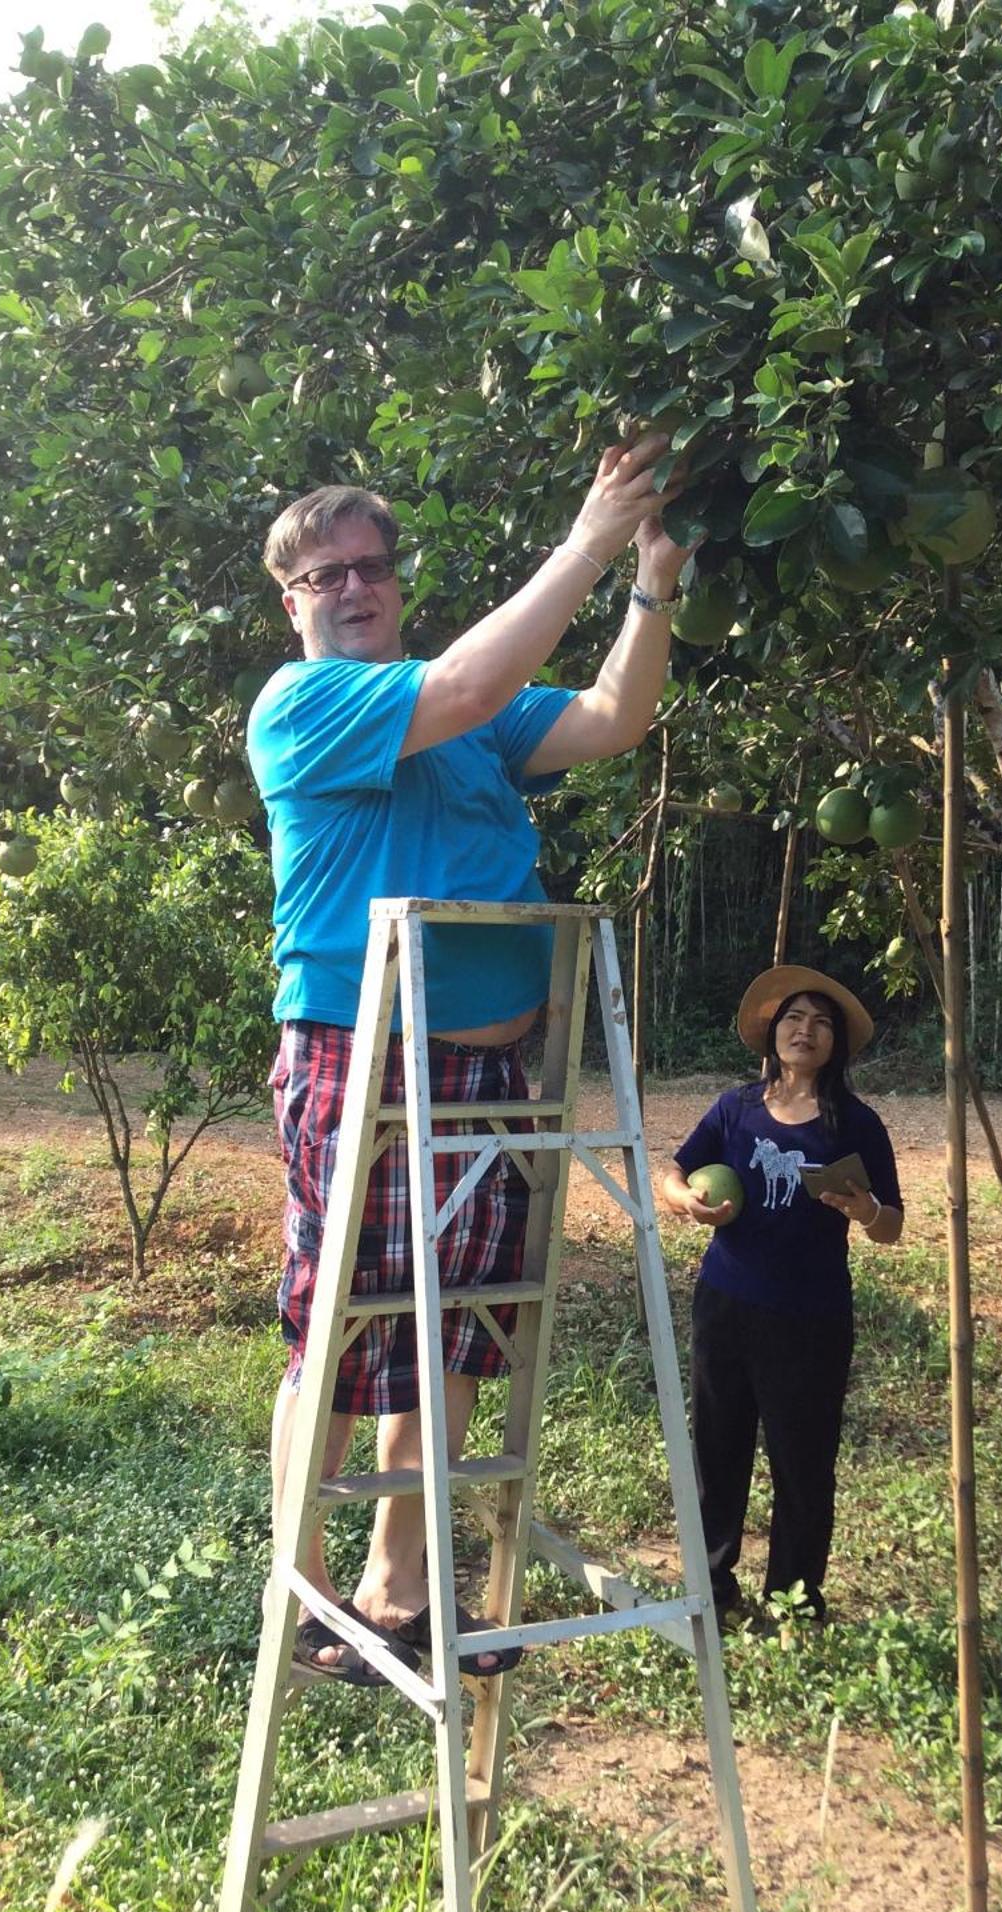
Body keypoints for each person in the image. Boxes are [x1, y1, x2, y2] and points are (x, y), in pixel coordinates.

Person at [248, 437, 693, 1682]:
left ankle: (399, 1581)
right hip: (365, 1051)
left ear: (394, 581)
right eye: (325, 573)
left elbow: (610, 718)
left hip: (501, 1068)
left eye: (370, 566)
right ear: (292, 599)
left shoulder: (472, 722)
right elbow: (450, 686)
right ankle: (305, 1590)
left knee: (446, 1333)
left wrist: (648, 584)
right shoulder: (306, 706)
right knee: (340, 1330)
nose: (353, 586)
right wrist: (588, 540)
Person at [659, 966, 904, 1628]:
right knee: (717, 1445)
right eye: (794, 1018)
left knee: (802, 1459)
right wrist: (684, 1202)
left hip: (809, 1315)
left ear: (835, 1046)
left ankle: (793, 1600)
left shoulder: (854, 1124)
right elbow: (675, 1172)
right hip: (725, 1300)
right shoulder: (734, 1108)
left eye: (821, 1023)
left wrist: (862, 1209)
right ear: (773, 1034)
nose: (805, 1030)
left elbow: (891, 1227)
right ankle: (709, 1584)